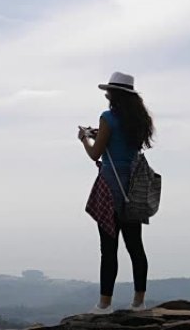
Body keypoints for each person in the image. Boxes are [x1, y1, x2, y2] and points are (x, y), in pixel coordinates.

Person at [78, 71, 154, 314]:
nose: (107, 94)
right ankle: (139, 302)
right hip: (132, 188)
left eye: (109, 91)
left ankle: (104, 304)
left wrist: (84, 139)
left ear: (115, 94)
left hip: (109, 188)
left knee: (108, 249)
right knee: (136, 247)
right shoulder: (140, 121)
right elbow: (121, 143)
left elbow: (95, 154)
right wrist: (96, 133)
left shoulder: (107, 117)